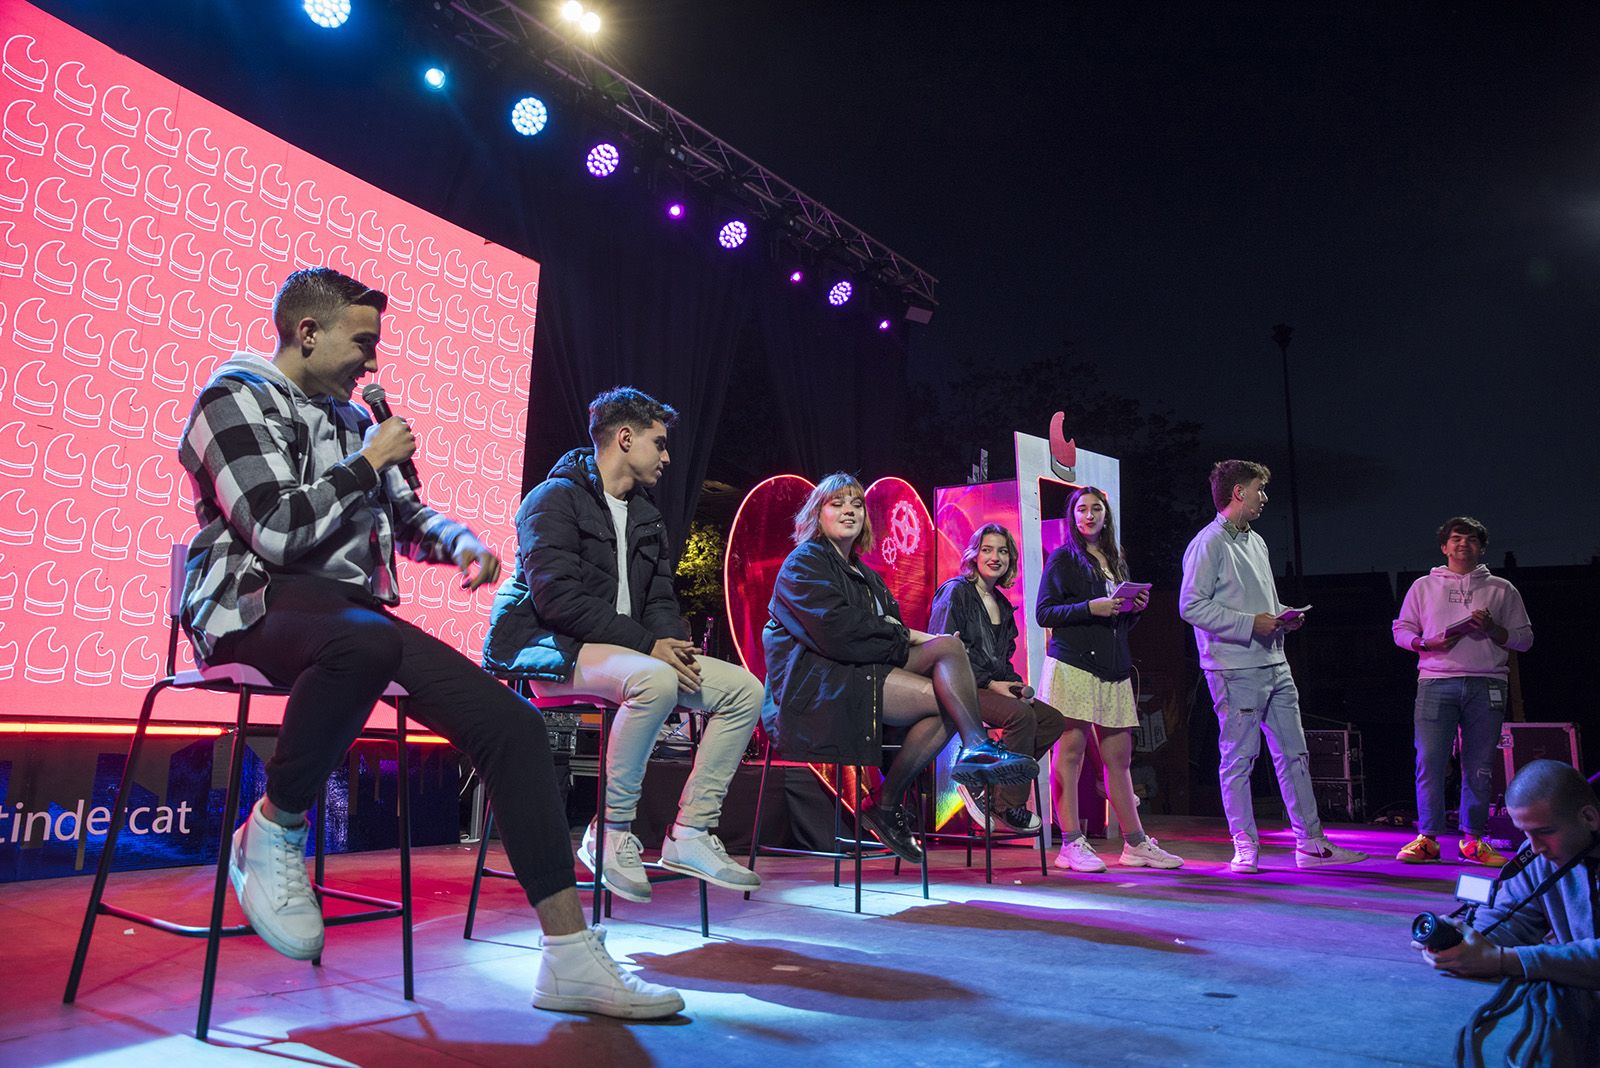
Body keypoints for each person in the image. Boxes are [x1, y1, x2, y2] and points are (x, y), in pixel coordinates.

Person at [179, 268, 681, 1019]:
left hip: (347, 621)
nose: (373, 363)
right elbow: (277, 531)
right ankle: (273, 829)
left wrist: (460, 543)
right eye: (363, 343)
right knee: (363, 644)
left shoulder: (354, 423)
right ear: (307, 332)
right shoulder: (232, 399)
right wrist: (371, 460)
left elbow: (407, 517)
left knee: (511, 726)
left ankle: (570, 958)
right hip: (251, 607)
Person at [484, 387, 762, 905]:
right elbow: (558, 600)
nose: (666, 456)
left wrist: (672, 644)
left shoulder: (646, 514)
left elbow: (658, 598)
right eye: (659, 444)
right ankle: (610, 831)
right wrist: (649, 647)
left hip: (628, 653)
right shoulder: (553, 499)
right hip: (552, 649)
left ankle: (691, 833)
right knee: (653, 679)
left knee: (743, 690)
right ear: (625, 438)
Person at [762, 473, 1040, 864]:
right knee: (949, 686)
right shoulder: (804, 562)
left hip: (863, 672)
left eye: (856, 504)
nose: (849, 511)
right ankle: (895, 799)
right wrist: (907, 635)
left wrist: (905, 636)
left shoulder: (868, 577)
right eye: (837, 503)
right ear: (817, 513)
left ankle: (950, 765)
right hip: (820, 686)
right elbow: (838, 633)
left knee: (948, 651)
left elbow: (878, 633)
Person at [1178, 460, 1367, 873]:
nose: (1264, 497)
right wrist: (1251, 624)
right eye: (1259, 490)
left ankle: (1312, 843)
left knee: (1295, 753)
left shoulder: (1256, 541)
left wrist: (1283, 614)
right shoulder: (1208, 543)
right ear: (1238, 493)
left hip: (1274, 663)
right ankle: (1243, 845)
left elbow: (1256, 602)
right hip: (1234, 668)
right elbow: (1190, 606)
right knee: (1240, 759)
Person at [1036, 487, 1184, 872]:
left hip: (1114, 668)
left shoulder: (1116, 559)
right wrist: (1091, 607)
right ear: (1072, 516)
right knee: (1071, 754)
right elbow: (1044, 612)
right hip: (1074, 666)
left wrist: (1134, 609)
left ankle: (1135, 843)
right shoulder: (1064, 559)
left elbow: (1116, 619)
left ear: (1106, 515)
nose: (1088, 516)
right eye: (1081, 509)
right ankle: (1070, 842)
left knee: (1119, 758)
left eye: (1095, 509)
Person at [1416, 760, 1599, 1063]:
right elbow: (1509, 918)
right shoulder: (1542, 859)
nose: (1535, 847)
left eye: (1544, 832)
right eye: (1525, 833)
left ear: (1589, 817)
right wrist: (1461, 941)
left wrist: (1502, 960)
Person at [1393, 516, 1534, 867]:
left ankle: (1473, 839)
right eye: (1456, 539)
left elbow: (1525, 639)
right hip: (1435, 680)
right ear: (1444, 547)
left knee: (1480, 765)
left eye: (1471, 540)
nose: (1462, 545)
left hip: (1487, 682)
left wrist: (1493, 629)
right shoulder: (1423, 586)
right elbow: (1401, 629)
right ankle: (1427, 838)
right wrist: (1425, 641)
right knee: (1429, 760)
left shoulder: (1502, 589)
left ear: (1481, 547)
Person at [928, 523, 1066, 833]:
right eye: (987, 549)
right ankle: (1008, 805)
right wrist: (991, 684)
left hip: (986, 686)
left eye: (1002, 551)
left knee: (1051, 720)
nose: (995, 557)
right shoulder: (957, 591)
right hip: (956, 687)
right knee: (1019, 717)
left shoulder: (1003, 605)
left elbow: (1001, 663)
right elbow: (943, 650)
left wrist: (1014, 685)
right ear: (974, 555)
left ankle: (986, 785)